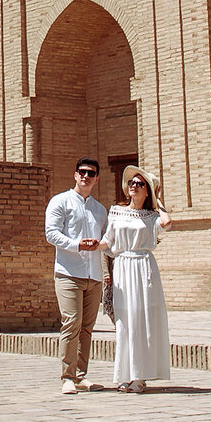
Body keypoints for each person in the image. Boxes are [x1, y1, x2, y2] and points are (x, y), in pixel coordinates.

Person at [101, 165, 172, 393]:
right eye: (132, 183)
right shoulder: (115, 212)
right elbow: (107, 242)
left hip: (144, 269)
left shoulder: (151, 217)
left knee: (144, 321)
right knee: (125, 321)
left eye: (140, 184)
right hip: (123, 268)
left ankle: (140, 377)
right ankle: (125, 374)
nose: (134, 186)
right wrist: (91, 245)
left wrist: (158, 201)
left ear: (147, 191)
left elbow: (168, 223)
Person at [43, 157, 108, 394]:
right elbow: (51, 234)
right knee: (71, 323)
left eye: (91, 173)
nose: (86, 176)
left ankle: (81, 376)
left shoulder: (100, 209)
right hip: (69, 273)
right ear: (75, 175)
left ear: (97, 178)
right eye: (82, 172)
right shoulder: (60, 201)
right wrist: (77, 245)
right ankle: (67, 377)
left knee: (87, 328)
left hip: (94, 276)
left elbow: (106, 241)